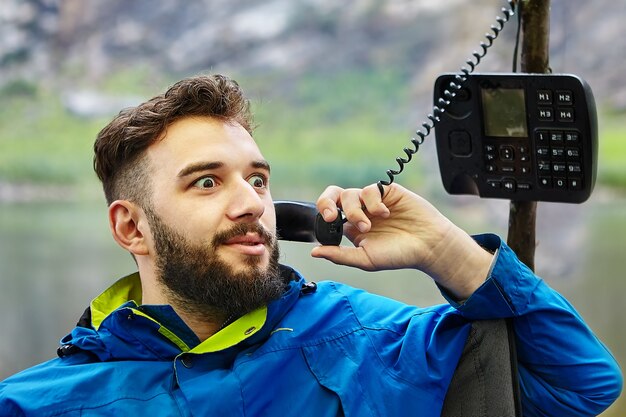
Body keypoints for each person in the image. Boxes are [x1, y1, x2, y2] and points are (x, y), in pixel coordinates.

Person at [0, 74, 621, 416]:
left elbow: (582, 385)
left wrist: (447, 251)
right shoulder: (38, 404)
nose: (250, 202)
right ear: (131, 228)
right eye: (207, 182)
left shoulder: (371, 340)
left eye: (259, 179)